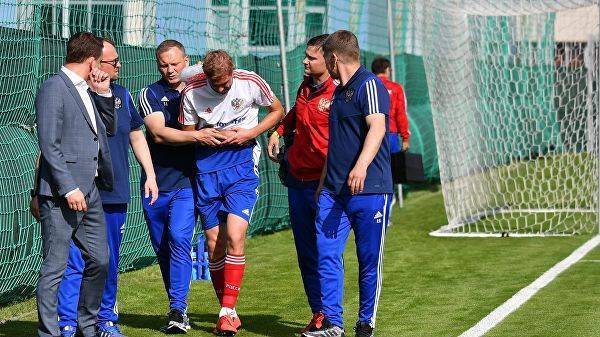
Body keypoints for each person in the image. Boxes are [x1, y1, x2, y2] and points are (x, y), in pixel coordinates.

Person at [49, 38, 158, 337]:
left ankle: (104, 320)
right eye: (112, 61)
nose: (118, 65)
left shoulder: (120, 94)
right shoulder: (69, 93)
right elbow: (50, 144)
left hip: (112, 193)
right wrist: (38, 189)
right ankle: (68, 323)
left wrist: (149, 173)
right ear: (94, 62)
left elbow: (135, 135)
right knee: (72, 261)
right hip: (77, 192)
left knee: (106, 261)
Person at [179, 50, 284, 336]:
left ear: (233, 73)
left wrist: (252, 133)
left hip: (241, 169)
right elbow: (190, 133)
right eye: (216, 84)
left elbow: (277, 110)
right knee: (214, 244)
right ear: (207, 77)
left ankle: (225, 312)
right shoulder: (192, 92)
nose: (222, 88)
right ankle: (229, 310)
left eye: (226, 83)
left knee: (236, 236)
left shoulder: (250, 81)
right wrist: (205, 134)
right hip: (208, 171)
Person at [302, 31, 392, 337]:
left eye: (323, 56)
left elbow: (377, 127)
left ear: (333, 57)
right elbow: (336, 144)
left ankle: (365, 322)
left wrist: (361, 166)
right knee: (326, 254)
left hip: (369, 190)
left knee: (368, 259)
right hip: (333, 192)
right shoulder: (339, 93)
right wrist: (324, 182)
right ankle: (332, 323)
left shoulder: (370, 84)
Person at [35, 32, 115, 337]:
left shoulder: (87, 89)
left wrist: (104, 93)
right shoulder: (54, 87)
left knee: (100, 260)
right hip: (61, 194)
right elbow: (49, 143)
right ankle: (49, 333)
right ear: (92, 60)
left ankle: (86, 326)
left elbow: (107, 129)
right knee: (55, 267)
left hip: (91, 190)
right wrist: (69, 188)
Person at [138, 39, 215, 334]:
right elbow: (158, 134)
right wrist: (199, 137)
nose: (170, 70)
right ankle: (176, 304)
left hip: (188, 183)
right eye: (164, 65)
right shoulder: (150, 93)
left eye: (175, 64)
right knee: (162, 249)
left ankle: (178, 309)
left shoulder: (203, 89)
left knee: (180, 239)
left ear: (186, 61)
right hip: (155, 183)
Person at [266, 34, 336, 333]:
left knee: (326, 253)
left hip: (326, 185)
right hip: (298, 182)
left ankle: (334, 315)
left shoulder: (340, 92)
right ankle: (319, 313)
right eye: (305, 56)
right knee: (306, 252)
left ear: (330, 59)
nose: (305, 61)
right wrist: (278, 130)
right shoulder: (306, 87)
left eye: (311, 57)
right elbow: (295, 114)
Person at [371, 57, 409, 153]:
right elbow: (400, 114)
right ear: (387, 69)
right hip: (390, 135)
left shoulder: (366, 86)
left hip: (370, 134)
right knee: (393, 166)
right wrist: (405, 137)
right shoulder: (396, 88)